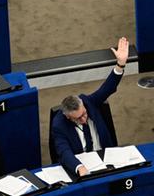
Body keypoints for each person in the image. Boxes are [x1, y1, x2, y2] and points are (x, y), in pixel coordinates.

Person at [52, 37, 130, 176]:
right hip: (83, 166)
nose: (83, 119)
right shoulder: (59, 124)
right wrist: (80, 168)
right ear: (68, 116)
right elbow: (64, 152)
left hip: (107, 160)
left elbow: (107, 88)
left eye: (84, 114)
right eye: (78, 118)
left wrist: (120, 64)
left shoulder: (88, 102)